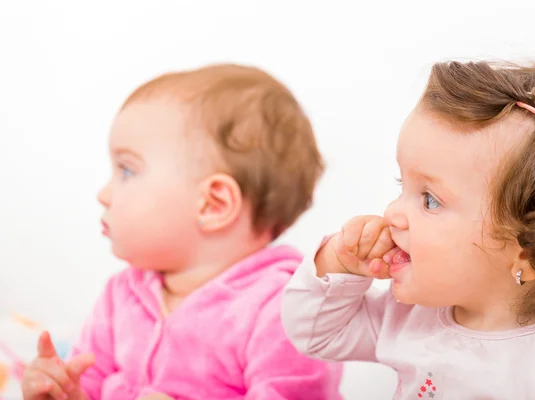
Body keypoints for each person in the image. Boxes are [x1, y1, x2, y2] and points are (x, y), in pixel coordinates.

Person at [22, 63, 342, 400]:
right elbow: (92, 385)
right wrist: (64, 393)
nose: (104, 193)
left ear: (213, 205)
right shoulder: (122, 295)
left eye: (127, 171)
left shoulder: (284, 311)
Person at [282, 59, 535, 398]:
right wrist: (339, 263)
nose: (392, 212)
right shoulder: (410, 317)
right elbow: (317, 334)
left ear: (532, 250)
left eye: (430, 200)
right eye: (400, 185)